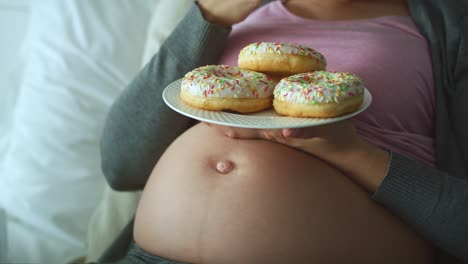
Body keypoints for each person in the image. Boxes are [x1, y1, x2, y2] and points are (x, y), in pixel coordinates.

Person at [98, 0, 468, 263]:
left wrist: (350, 153)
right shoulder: (224, 15)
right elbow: (121, 165)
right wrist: (209, 15)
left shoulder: (450, 24)